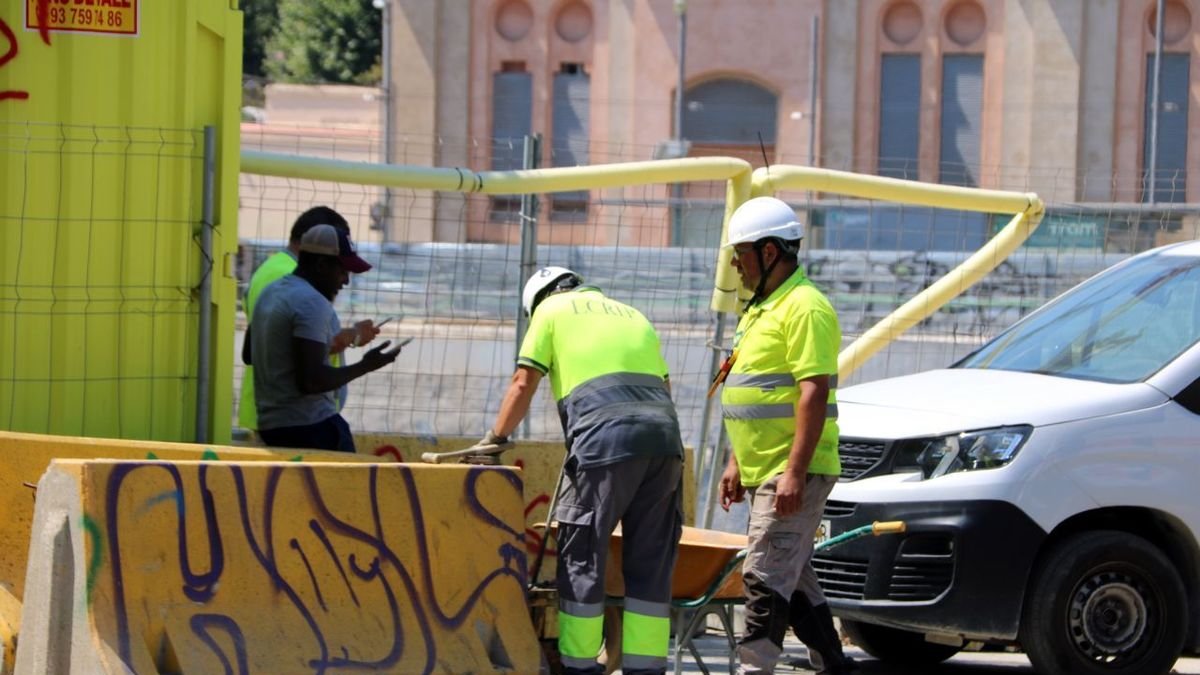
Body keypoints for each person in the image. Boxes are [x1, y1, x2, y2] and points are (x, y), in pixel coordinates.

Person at [477, 266, 684, 675]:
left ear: (538, 300)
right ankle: (645, 669)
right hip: (664, 444)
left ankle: (579, 667)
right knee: (650, 563)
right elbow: (665, 387)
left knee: (582, 554)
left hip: (605, 444)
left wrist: (493, 439)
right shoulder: (633, 314)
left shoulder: (549, 312)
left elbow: (523, 381)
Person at [715, 197, 853, 674]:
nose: (735, 263)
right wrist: (736, 462)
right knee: (793, 580)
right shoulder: (759, 310)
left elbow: (813, 393)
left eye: (742, 253)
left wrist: (794, 471)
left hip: (791, 470)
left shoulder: (806, 308)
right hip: (763, 469)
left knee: (763, 576)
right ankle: (834, 664)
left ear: (770, 252)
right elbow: (751, 391)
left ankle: (755, 668)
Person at [249, 224, 401, 452]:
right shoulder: (311, 303)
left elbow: (248, 353)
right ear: (321, 265)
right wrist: (366, 365)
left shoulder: (271, 292)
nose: (346, 281)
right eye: (342, 271)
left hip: (273, 429)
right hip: (312, 429)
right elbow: (312, 381)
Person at [239, 206, 378, 433]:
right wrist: (357, 347)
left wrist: (351, 335)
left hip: (288, 417)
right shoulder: (288, 278)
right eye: (341, 268)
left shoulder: (283, 274)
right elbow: (285, 348)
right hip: (292, 420)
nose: (345, 281)